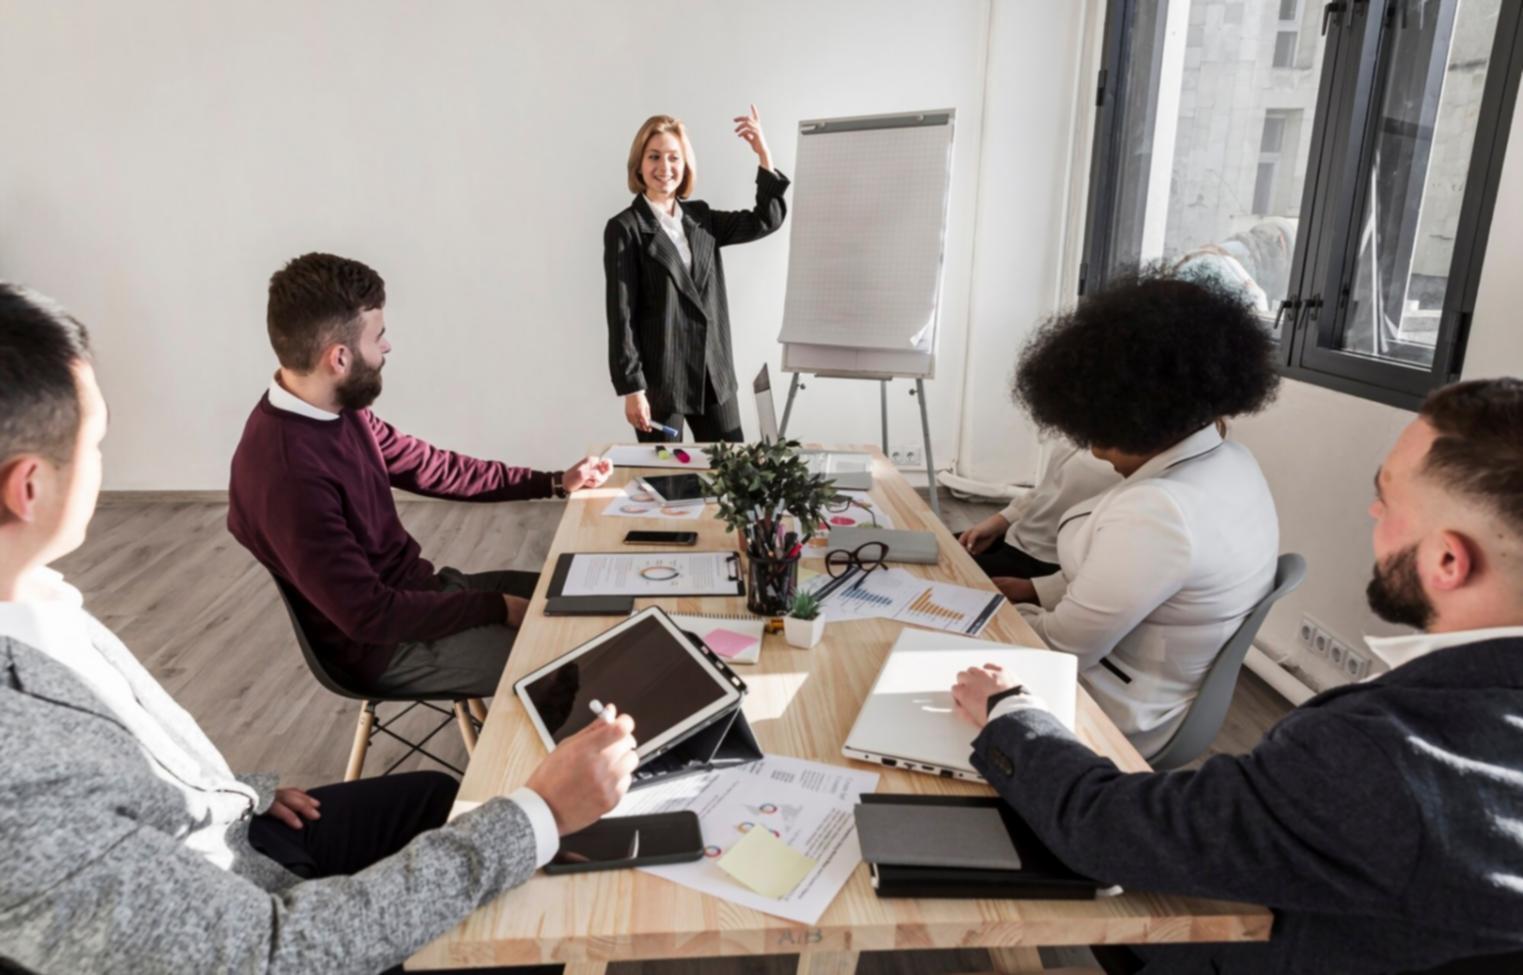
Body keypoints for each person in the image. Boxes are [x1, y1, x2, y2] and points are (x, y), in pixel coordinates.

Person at [0, 283, 640, 973]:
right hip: (356, 693)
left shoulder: (40, 603)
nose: (387, 346)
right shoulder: (22, 771)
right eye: (96, 442)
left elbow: (433, 464)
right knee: (548, 656)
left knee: (442, 786)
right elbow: (272, 951)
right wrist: (537, 812)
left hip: (251, 826)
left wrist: (239, 790)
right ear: (28, 487)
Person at [953, 377, 1523, 974]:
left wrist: (1011, 712)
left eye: (1388, 497)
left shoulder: (1382, 758)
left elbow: (1111, 829)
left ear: (1448, 561)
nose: (1373, 512)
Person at [228, 253, 612, 700]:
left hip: (422, 598)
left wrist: (554, 482)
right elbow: (368, 614)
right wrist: (498, 607)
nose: (387, 348)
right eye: (379, 337)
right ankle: (541, 768)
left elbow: (435, 468)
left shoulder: (335, 409)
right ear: (339, 358)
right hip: (385, 648)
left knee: (586, 601)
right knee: (576, 663)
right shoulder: (287, 474)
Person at [997, 271, 1281, 755]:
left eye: (1095, 433)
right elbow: (1140, 583)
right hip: (1146, 680)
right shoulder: (1232, 461)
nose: (1092, 448)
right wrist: (1032, 590)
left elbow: (1063, 650)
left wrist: (992, 614)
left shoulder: (1160, 513)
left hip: (1109, 709)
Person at [604, 106, 789, 443]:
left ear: (685, 164)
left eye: (674, 158)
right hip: (661, 383)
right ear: (639, 165)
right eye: (654, 156)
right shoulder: (626, 228)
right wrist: (632, 388)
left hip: (713, 376)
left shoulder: (701, 219)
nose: (665, 168)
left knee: (731, 477)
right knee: (667, 484)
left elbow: (766, 220)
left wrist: (763, 153)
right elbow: (621, 316)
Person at [958, 439, 1120, 579]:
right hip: (1016, 538)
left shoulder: (1131, 462)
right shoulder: (1081, 431)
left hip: (1047, 563)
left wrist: (1039, 590)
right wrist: (1001, 520)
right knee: (942, 550)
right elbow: (1046, 490)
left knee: (945, 573)